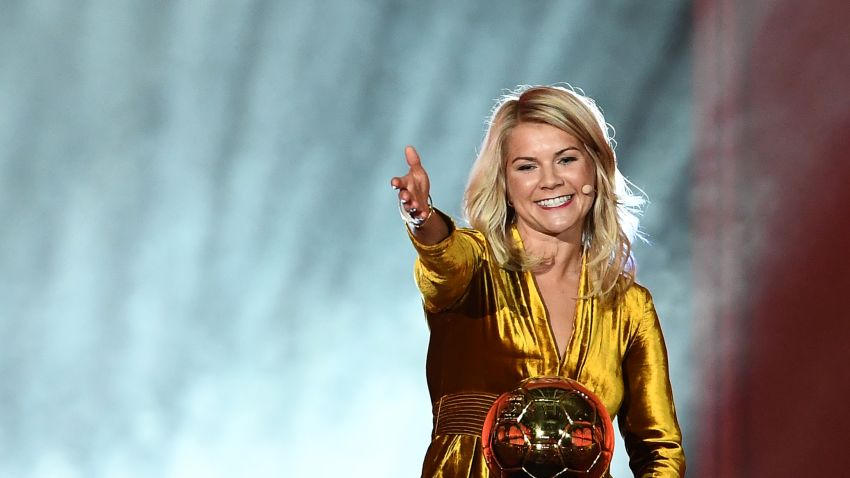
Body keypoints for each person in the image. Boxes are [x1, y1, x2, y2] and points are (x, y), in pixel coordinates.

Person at [390, 85, 685, 477]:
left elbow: (659, 450)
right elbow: (442, 258)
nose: (550, 180)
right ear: (505, 184)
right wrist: (422, 217)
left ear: (594, 171)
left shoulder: (629, 306)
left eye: (566, 159)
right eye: (527, 166)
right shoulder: (476, 267)